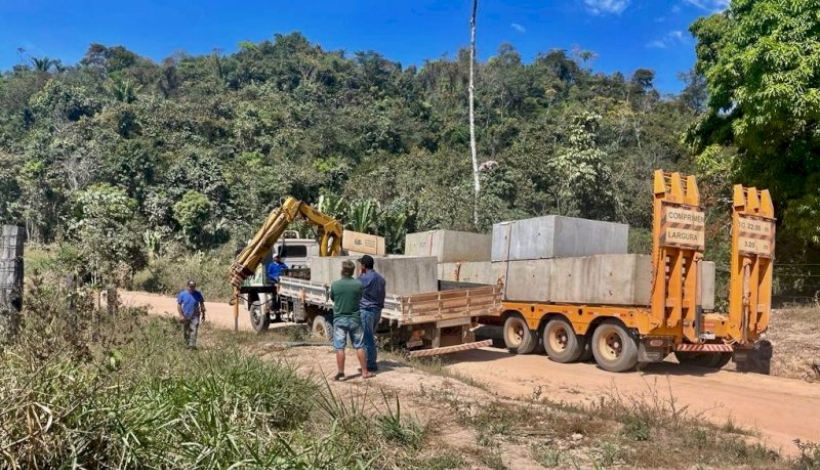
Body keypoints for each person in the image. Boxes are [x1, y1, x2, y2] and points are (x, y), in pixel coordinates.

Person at [329, 260, 373, 380]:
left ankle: (341, 373)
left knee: (340, 347)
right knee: (359, 346)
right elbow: (359, 298)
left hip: (339, 319)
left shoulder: (335, 285)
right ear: (353, 271)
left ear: (342, 271)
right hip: (354, 319)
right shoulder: (358, 284)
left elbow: (332, 298)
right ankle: (364, 372)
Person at [358, 255, 386, 373]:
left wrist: (360, 274)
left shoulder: (364, 279)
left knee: (367, 339)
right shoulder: (381, 279)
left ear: (363, 266)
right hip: (377, 311)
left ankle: (371, 364)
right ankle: (371, 361)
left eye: (361, 265)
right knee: (370, 337)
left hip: (366, 311)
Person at [176, 280, 206, 350]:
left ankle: (192, 346)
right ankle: (187, 344)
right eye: (190, 287)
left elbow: (202, 304)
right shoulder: (183, 294)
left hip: (195, 315)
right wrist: (181, 315)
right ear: (187, 286)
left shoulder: (198, 294)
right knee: (186, 330)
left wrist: (203, 314)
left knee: (194, 330)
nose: (192, 288)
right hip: (185, 315)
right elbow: (178, 305)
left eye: (193, 287)